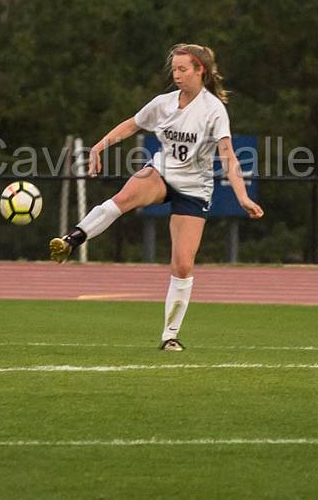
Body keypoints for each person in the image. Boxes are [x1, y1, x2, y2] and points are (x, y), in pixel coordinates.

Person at [50, 43, 264, 351]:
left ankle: (170, 336)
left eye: (183, 69)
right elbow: (131, 124)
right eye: (174, 69)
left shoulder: (213, 110)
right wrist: (99, 146)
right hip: (162, 172)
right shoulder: (163, 103)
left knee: (182, 266)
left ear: (200, 70)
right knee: (124, 197)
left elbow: (228, 156)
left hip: (195, 188)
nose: (176, 75)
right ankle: (71, 239)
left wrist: (242, 196)